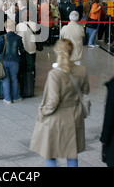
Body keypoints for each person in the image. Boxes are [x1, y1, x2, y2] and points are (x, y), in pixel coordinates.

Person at [30, 38, 89, 167]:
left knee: (50, 153)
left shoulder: (54, 74)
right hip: (74, 116)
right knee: (72, 154)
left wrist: (42, 111)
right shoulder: (82, 70)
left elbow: (52, 102)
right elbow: (86, 90)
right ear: (72, 52)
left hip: (56, 119)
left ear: (57, 52)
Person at [0, 19, 25, 104]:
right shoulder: (18, 38)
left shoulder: (2, 37)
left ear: (6, 27)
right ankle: (16, 97)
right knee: (14, 79)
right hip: (15, 61)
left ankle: (7, 99)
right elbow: (22, 51)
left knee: (5, 80)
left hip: (4, 61)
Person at [16, 9, 39, 96]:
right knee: (32, 66)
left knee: (22, 67)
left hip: (23, 50)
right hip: (32, 48)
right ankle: (31, 81)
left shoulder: (18, 26)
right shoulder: (34, 24)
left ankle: (22, 82)